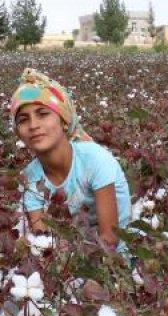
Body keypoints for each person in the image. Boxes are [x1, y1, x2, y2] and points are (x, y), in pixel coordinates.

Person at [11, 68, 130, 251]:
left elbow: (110, 238)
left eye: (43, 114)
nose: (34, 125)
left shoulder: (95, 159)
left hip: (115, 259)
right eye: (23, 120)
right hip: (67, 259)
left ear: (64, 120)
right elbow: (44, 240)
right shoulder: (29, 178)